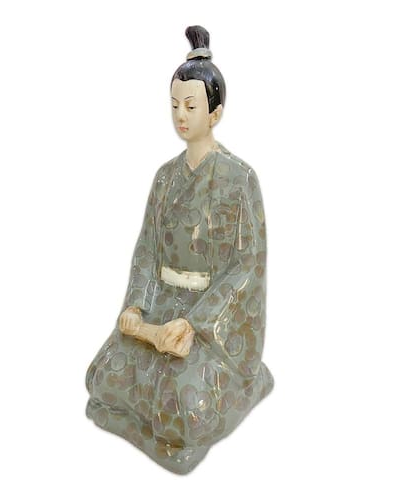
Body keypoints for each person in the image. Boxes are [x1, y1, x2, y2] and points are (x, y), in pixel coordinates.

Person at [85, 25, 274, 474]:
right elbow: (147, 251)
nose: (180, 116)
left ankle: (240, 386)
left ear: (216, 112)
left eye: (190, 106)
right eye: (173, 105)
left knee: (183, 405)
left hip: (207, 320)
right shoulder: (165, 178)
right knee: (106, 375)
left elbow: (247, 265)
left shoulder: (239, 179)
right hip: (160, 310)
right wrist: (136, 307)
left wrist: (193, 323)